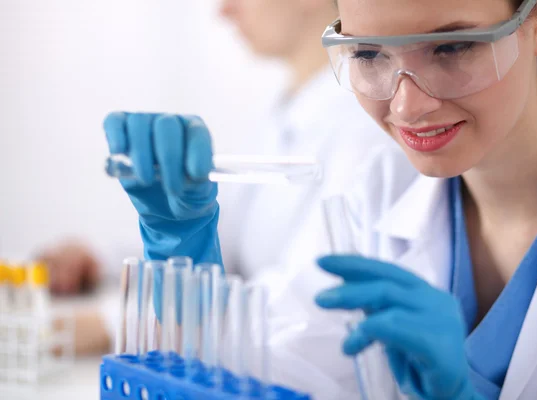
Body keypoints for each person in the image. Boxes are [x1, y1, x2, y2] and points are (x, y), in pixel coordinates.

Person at [103, 0, 537, 398]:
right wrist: (182, 251)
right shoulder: (377, 195)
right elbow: (275, 370)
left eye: (451, 48)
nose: (407, 105)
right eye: (367, 54)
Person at [40, 0, 407, 364]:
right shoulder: (288, 110)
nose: (224, 10)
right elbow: (216, 234)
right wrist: (101, 260)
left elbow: (306, 308)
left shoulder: (366, 129)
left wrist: (112, 322)